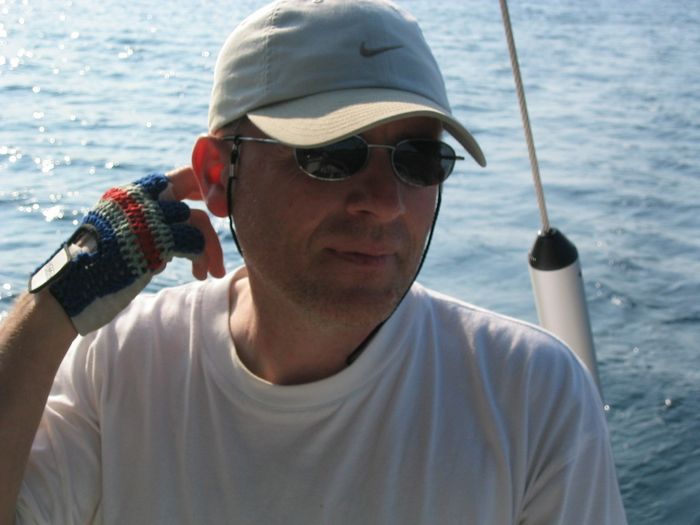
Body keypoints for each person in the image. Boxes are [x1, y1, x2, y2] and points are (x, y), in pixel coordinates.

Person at [0, 0, 627, 523]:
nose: (385, 202)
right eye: (330, 152)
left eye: (418, 159)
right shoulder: (117, 366)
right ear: (219, 174)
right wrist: (54, 302)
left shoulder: (532, 397)